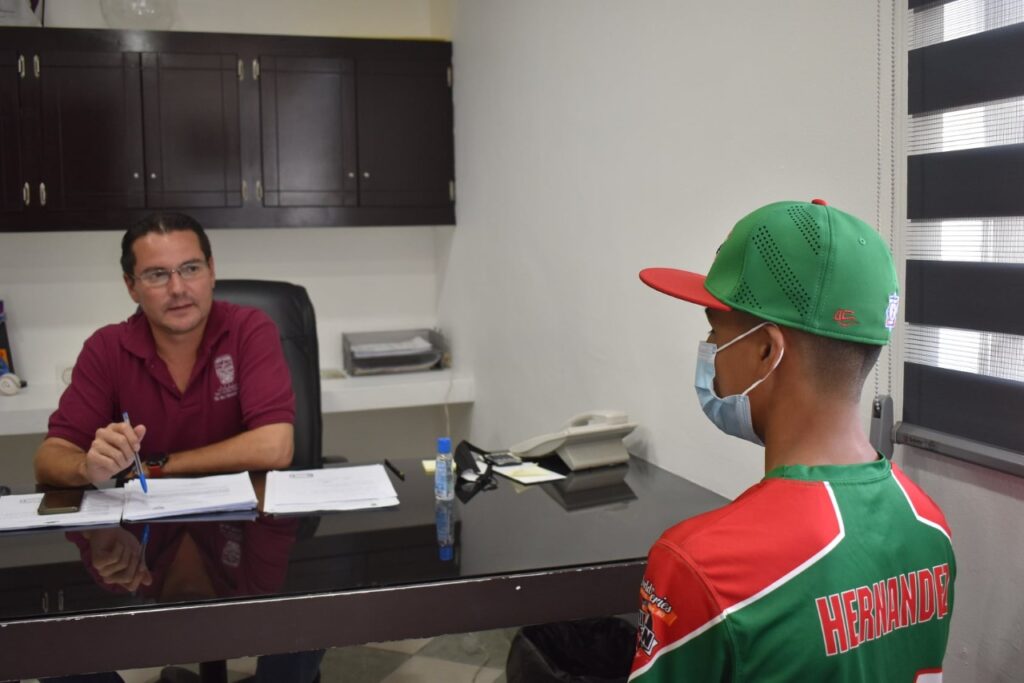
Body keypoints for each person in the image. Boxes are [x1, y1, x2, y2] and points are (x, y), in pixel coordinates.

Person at [631, 200, 956, 681]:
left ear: (766, 351)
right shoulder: (930, 528)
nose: (710, 351)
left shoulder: (699, 564)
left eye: (714, 331)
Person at [34, 212, 295, 487]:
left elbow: (275, 447)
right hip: (147, 511)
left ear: (211, 271)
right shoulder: (107, 348)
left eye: (191, 269)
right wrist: (86, 468)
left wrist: (158, 466)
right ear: (131, 286)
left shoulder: (249, 329)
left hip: (244, 509)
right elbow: (49, 458)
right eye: (157, 275)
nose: (178, 288)